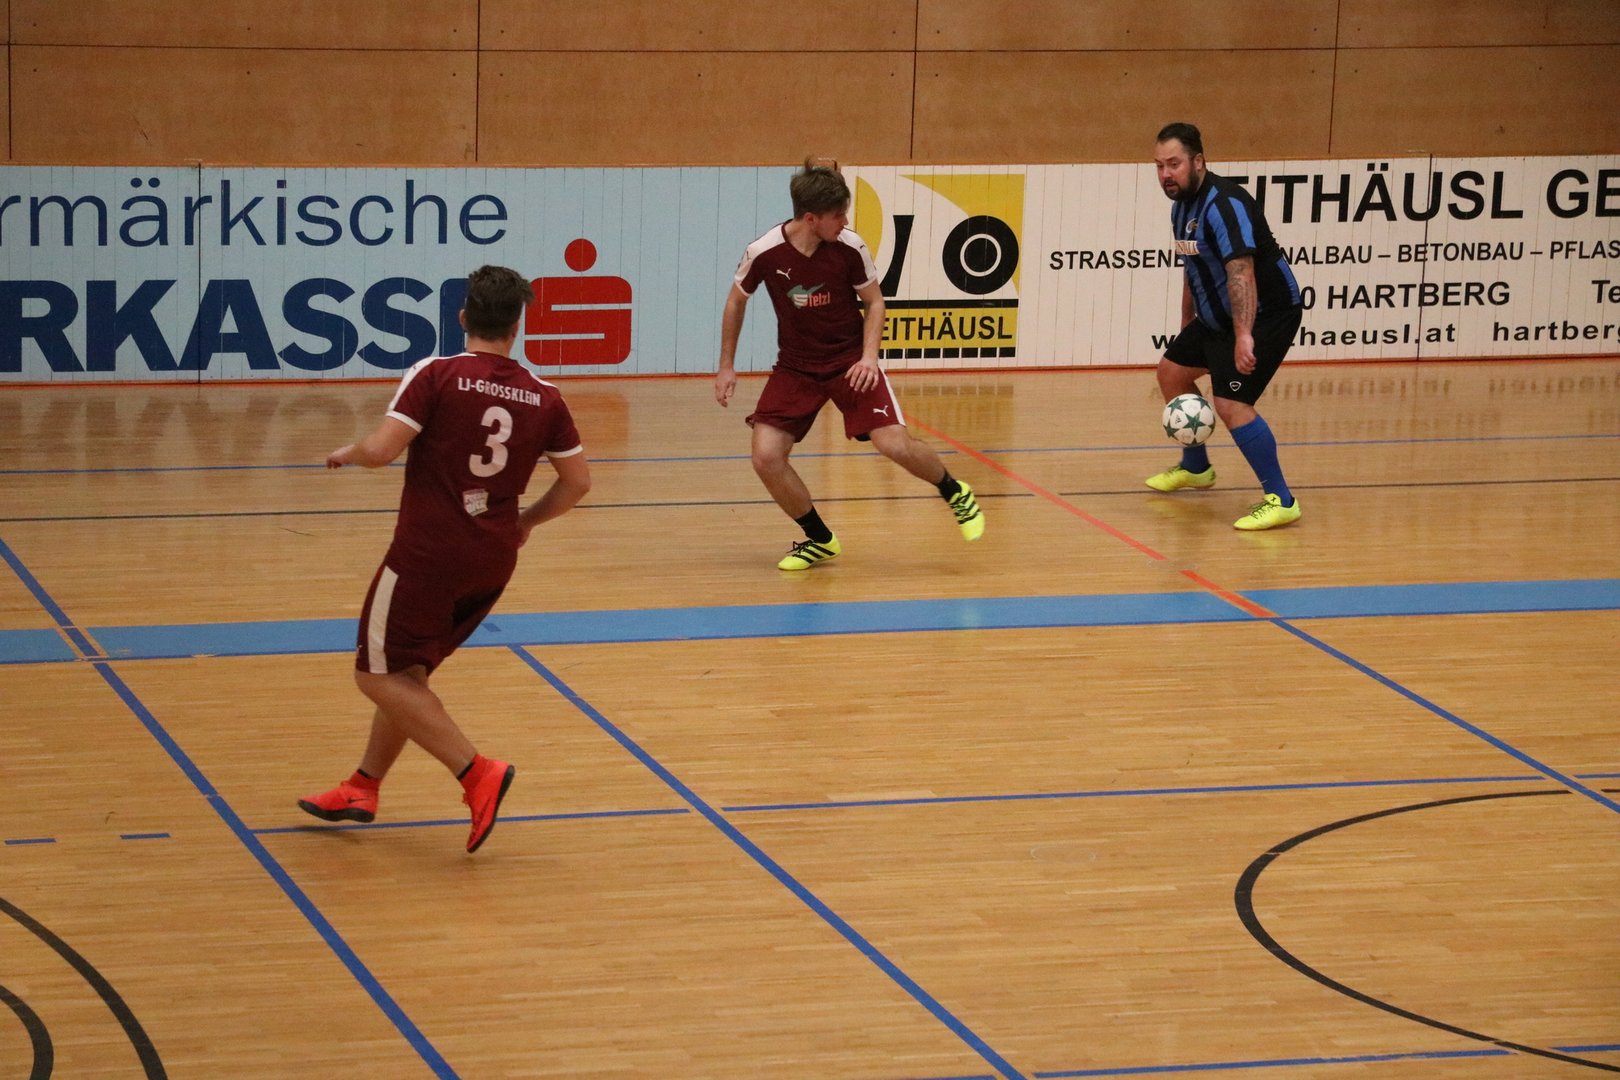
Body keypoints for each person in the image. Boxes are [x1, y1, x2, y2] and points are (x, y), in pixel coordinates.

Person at [298, 265, 591, 853]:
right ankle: (362, 787)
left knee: (375, 675)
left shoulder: (436, 373)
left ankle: (475, 771)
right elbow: (577, 483)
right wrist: (525, 523)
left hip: (428, 553)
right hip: (493, 558)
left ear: (462, 317)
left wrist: (350, 452)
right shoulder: (545, 396)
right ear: (517, 327)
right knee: (407, 676)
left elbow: (383, 450)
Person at [714, 157, 985, 570]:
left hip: (849, 361)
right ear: (811, 219)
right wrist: (726, 366)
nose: (845, 221)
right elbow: (736, 302)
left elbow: (875, 302)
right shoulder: (764, 252)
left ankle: (954, 491)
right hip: (796, 367)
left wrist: (869, 358)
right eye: (838, 215)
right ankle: (820, 539)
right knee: (766, 456)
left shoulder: (849, 247)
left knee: (893, 444)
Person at [1147, 123, 1304, 530]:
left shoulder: (1225, 204)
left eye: (1174, 164)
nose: (1166, 174)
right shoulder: (1181, 207)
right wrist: (1188, 321)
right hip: (1219, 316)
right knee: (1171, 372)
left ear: (1198, 161)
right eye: (1160, 166)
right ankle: (1196, 468)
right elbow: (1193, 265)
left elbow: (1241, 272)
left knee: (1232, 404)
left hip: (1267, 314)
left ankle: (1281, 499)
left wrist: (1244, 335)